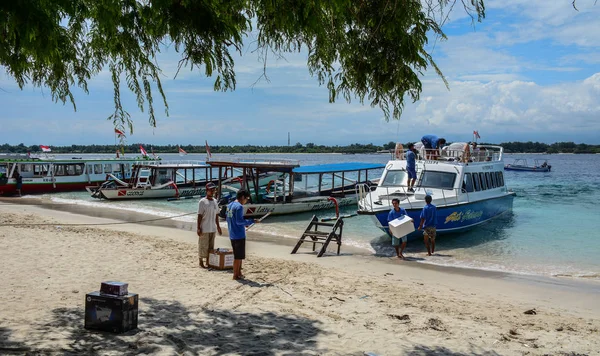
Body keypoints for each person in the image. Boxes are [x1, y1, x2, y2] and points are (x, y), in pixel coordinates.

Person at [226, 190, 259, 280]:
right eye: (247, 199)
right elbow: (239, 221)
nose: (246, 201)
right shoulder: (239, 207)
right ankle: (235, 275)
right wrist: (251, 221)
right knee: (237, 257)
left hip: (232, 233)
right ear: (243, 197)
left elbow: (229, 219)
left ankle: (239, 273)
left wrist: (245, 223)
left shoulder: (229, 205)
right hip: (239, 234)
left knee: (239, 255)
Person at [197, 182, 222, 268]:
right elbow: (199, 215)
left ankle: (208, 262)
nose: (212, 192)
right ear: (207, 191)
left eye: (214, 190)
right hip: (204, 228)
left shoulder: (215, 201)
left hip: (213, 228)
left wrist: (218, 226)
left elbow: (216, 215)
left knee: (211, 247)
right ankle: (201, 261)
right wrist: (198, 228)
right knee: (203, 245)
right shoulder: (202, 202)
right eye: (211, 190)